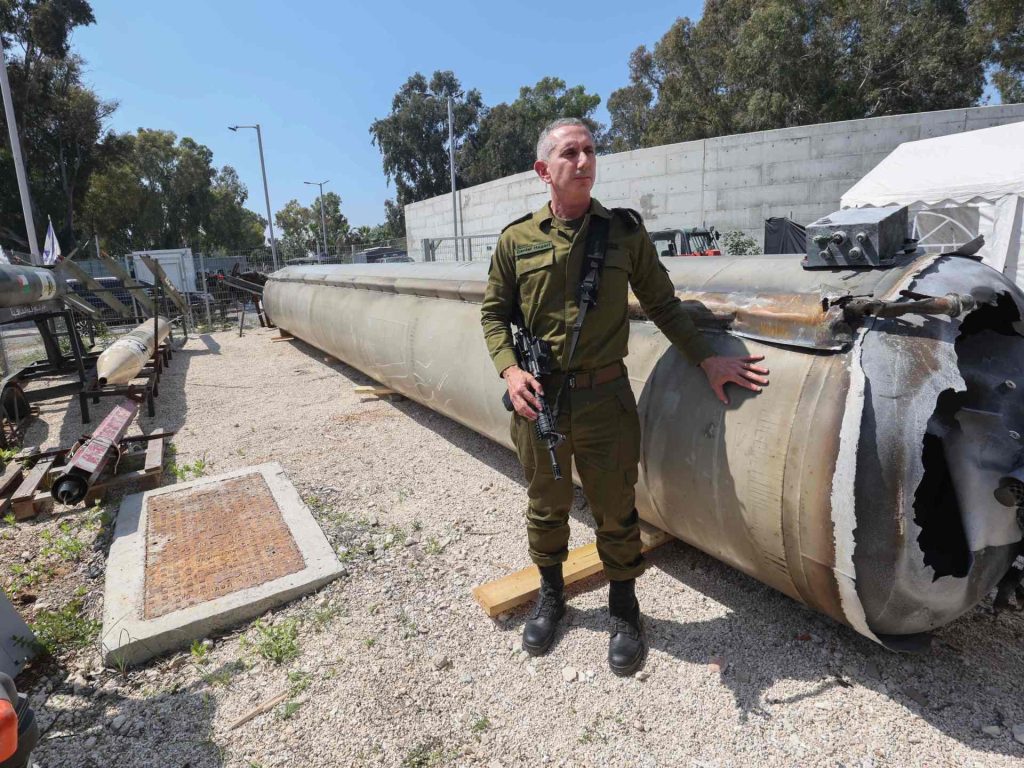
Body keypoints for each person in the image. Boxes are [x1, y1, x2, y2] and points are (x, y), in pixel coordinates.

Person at [479, 118, 769, 676]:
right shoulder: (516, 241)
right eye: (569, 153)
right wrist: (510, 372)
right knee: (546, 505)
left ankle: (624, 608)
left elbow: (662, 305)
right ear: (544, 171)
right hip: (540, 400)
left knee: (616, 509)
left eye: (590, 150)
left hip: (605, 400)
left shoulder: (623, 233)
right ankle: (552, 595)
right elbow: (493, 314)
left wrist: (707, 359)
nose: (583, 161)